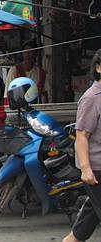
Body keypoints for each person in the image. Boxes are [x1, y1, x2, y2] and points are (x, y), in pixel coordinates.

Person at [63, 49, 101, 242]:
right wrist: (86, 169)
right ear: (98, 67)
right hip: (97, 169)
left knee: (88, 220)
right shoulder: (91, 98)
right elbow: (81, 136)